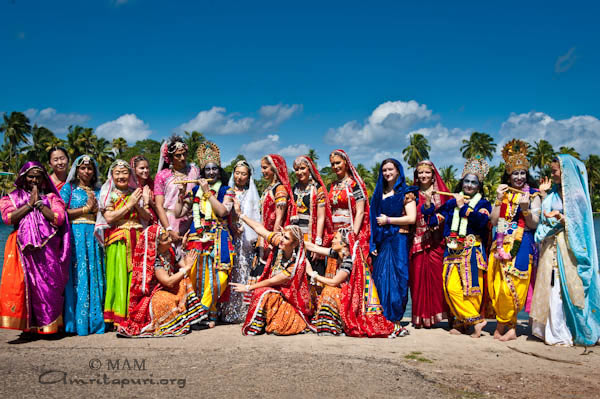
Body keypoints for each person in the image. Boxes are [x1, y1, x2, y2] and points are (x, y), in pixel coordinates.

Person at [530, 155, 600, 346]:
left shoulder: (576, 196)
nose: (552, 175)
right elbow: (542, 218)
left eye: (555, 171)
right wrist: (543, 198)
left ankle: (568, 329)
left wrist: (560, 217)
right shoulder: (552, 194)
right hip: (551, 247)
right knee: (553, 287)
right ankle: (554, 330)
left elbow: (580, 225)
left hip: (569, 249)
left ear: (566, 172)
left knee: (568, 288)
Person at [327, 150, 393, 337]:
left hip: (349, 234)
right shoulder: (333, 185)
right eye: (332, 164)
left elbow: (361, 211)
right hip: (336, 235)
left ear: (346, 163)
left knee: (350, 276)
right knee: (333, 273)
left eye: (338, 163)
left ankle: (352, 314)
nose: (335, 167)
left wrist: (353, 235)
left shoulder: (355, 185)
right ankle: (334, 317)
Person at [0, 161, 70, 334]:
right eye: (31, 176)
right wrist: (29, 205)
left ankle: (49, 327)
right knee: (26, 286)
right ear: (24, 178)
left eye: (38, 177)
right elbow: (8, 218)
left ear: (44, 179)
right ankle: (27, 327)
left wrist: (39, 203)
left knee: (49, 286)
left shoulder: (53, 198)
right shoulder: (11, 198)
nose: (34, 180)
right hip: (22, 248)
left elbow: (58, 219)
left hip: (48, 249)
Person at [427, 156, 491, 337]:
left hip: (471, 251)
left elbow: (482, 221)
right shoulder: (450, 203)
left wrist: (464, 208)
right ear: (462, 182)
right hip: (452, 251)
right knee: (450, 288)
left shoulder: (483, 203)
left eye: (474, 183)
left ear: (479, 186)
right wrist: (428, 204)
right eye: (467, 181)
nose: (469, 185)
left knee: (472, 290)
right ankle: (476, 321)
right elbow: (434, 220)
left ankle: (466, 324)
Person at [175, 142, 235, 327]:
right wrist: (180, 195)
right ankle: (204, 314)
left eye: (214, 169)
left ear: (219, 170)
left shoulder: (226, 190)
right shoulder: (194, 190)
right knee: (197, 275)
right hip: (196, 237)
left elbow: (223, 211)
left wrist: (208, 193)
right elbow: (178, 213)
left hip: (219, 236)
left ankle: (205, 309)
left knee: (220, 275)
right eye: (207, 169)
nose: (210, 172)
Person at [488, 140, 541, 341]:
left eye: (522, 173)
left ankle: (509, 326)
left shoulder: (534, 195)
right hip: (500, 243)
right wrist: (498, 199)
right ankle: (505, 324)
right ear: (508, 175)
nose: (519, 177)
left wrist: (526, 208)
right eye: (515, 174)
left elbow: (534, 224)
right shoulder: (504, 193)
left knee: (514, 285)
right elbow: (494, 221)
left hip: (522, 243)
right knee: (497, 286)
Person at [232, 207, 314, 336]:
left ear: (294, 244)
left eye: (286, 238)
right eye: (282, 235)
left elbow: (271, 281)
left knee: (264, 293)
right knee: (264, 292)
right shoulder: (279, 244)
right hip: (275, 292)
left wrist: (248, 287)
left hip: (290, 300)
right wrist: (241, 215)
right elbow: (260, 229)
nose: (281, 239)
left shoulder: (295, 265)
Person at [117, 225, 206, 337]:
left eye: (169, 237)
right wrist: (186, 268)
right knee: (166, 301)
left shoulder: (170, 250)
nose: (170, 240)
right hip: (154, 295)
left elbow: (184, 267)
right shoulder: (154, 259)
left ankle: (191, 319)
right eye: (165, 239)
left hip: (168, 288)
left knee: (185, 281)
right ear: (156, 245)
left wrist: (185, 251)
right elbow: (167, 281)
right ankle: (173, 321)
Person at [95, 159, 152, 327]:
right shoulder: (109, 193)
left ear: (130, 175)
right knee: (119, 275)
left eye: (125, 172)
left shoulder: (136, 192)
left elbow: (147, 216)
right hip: (119, 239)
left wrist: (139, 204)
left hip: (137, 236)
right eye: (117, 173)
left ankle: (136, 314)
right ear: (112, 176)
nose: (121, 176)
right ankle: (119, 317)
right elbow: (110, 217)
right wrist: (130, 205)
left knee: (136, 275)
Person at [370, 159, 418, 337]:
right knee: (380, 278)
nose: (387, 173)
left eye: (390, 169)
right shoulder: (378, 193)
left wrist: (389, 220)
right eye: (384, 170)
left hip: (398, 239)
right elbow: (372, 219)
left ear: (398, 171)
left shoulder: (406, 192)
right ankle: (382, 318)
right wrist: (372, 242)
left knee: (398, 277)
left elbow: (411, 218)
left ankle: (396, 319)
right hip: (382, 240)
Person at [60, 155, 105, 336]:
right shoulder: (68, 188)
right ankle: (75, 323)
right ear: (76, 170)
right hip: (75, 234)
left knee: (94, 274)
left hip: (94, 235)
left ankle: (95, 321)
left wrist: (96, 209)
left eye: (90, 168)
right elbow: (60, 213)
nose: (86, 171)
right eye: (83, 168)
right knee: (78, 275)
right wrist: (86, 209)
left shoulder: (99, 190)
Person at [410, 160, 451, 328]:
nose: (423, 176)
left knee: (439, 280)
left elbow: (449, 213)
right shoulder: (412, 194)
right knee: (417, 280)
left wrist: (438, 220)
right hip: (417, 242)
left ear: (433, 175)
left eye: (427, 172)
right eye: (420, 173)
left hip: (437, 242)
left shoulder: (443, 194)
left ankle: (443, 316)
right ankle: (420, 319)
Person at [220, 160, 260, 323]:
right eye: (237, 173)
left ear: (248, 176)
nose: (240, 177)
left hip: (245, 238)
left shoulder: (251, 194)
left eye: (243, 174)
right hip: (230, 234)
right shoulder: (228, 191)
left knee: (243, 269)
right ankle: (227, 310)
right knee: (229, 270)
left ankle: (243, 311)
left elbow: (255, 214)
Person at [251, 155, 293, 280]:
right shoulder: (269, 188)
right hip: (264, 236)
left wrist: (272, 241)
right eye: (261, 168)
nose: (262, 171)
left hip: (272, 238)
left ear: (274, 169)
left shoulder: (279, 189)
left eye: (265, 168)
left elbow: (279, 217)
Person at [290, 156, 332, 279]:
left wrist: (317, 243)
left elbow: (321, 217)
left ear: (309, 169)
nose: (299, 172)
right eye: (296, 169)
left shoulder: (317, 189)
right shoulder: (294, 188)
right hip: (295, 237)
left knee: (312, 274)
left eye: (302, 168)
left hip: (310, 236)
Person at [154, 135, 200, 244]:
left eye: (184, 154)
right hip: (170, 221)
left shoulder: (194, 171)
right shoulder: (162, 176)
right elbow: (159, 205)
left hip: (192, 221)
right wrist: (168, 229)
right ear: (169, 158)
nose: (183, 158)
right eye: (178, 155)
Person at [130, 155, 157, 224]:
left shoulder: (152, 185)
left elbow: (159, 207)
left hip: (153, 221)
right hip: (136, 222)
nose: (145, 170)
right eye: (142, 168)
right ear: (134, 169)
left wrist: (150, 200)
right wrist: (145, 201)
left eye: (147, 168)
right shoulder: (131, 187)